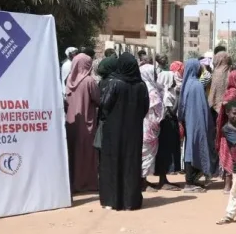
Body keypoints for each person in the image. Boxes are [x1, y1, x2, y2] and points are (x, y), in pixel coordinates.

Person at [99, 52, 150, 210]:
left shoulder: (115, 83)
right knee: (131, 163)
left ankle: (112, 200)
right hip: (134, 132)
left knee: (112, 163)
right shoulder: (141, 86)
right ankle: (130, 201)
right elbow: (145, 108)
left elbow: (105, 105)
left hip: (113, 132)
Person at [65, 53, 100, 193]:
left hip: (71, 122)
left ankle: (73, 183)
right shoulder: (89, 81)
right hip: (86, 123)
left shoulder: (69, 80)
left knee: (73, 152)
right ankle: (86, 183)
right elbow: (98, 99)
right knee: (86, 153)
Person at [179, 59, 216, 193]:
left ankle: (192, 180)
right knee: (195, 148)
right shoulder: (197, 85)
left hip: (189, 121)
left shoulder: (187, 83)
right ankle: (190, 182)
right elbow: (203, 107)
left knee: (190, 148)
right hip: (198, 122)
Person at [215, 69, 236, 193]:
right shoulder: (234, 93)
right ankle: (228, 186)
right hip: (232, 130)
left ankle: (230, 185)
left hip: (230, 129)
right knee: (231, 156)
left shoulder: (231, 91)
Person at [154, 70, 182, 190]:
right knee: (165, 152)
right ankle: (162, 180)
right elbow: (172, 112)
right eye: (173, 79)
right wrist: (179, 97)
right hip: (167, 125)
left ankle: (164, 179)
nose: (175, 81)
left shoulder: (168, 92)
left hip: (170, 124)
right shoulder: (165, 94)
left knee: (170, 151)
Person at [139, 63, 164, 191]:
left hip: (142, 125)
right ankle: (142, 182)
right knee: (147, 154)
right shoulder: (151, 91)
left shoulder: (140, 87)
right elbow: (158, 111)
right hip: (149, 126)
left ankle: (143, 180)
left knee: (144, 153)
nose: (155, 75)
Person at [209, 51, 233, 126]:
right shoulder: (230, 71)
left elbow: (213, 90)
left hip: (216, 105)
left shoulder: (216, 72)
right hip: (229, 105)